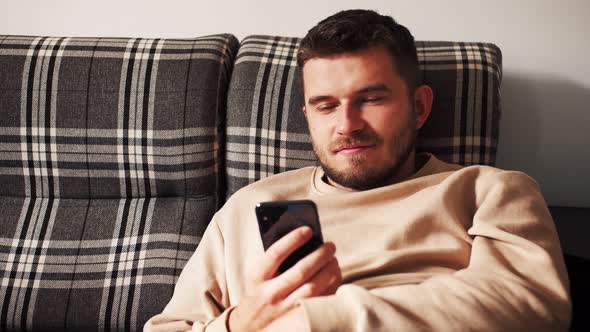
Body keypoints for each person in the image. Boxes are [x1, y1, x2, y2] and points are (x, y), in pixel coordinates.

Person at [144, 9, 571, 332]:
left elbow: (529, 304)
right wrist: (241, 322)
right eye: (325, 105)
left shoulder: (490, 191)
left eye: (371, 99)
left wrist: (309, 321)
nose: (347, 125)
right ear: (308, 114)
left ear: (419, 107)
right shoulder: (247, 207)